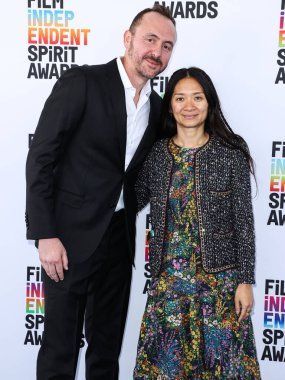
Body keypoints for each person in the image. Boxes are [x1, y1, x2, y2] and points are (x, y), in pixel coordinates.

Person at [25, 5, 177, 380]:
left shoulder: (158, 109)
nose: (157, 52)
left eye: (167, 46)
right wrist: (46, 234)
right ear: (128, 39)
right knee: (60, 349)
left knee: (106, 352)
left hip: (118, 241)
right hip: (68, 239)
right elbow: (41, 158)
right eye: (150, 40)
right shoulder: (83, 82)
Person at [134, 67, 261, 379]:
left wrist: (245, 280)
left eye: (197, 98)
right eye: (180, 98)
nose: (188, 106)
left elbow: (243, 221)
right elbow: (130, 201)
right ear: (170, 106)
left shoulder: (231, 153)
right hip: (169, 286)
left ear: (209, 103)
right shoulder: (156, 155)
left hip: (220, 285)